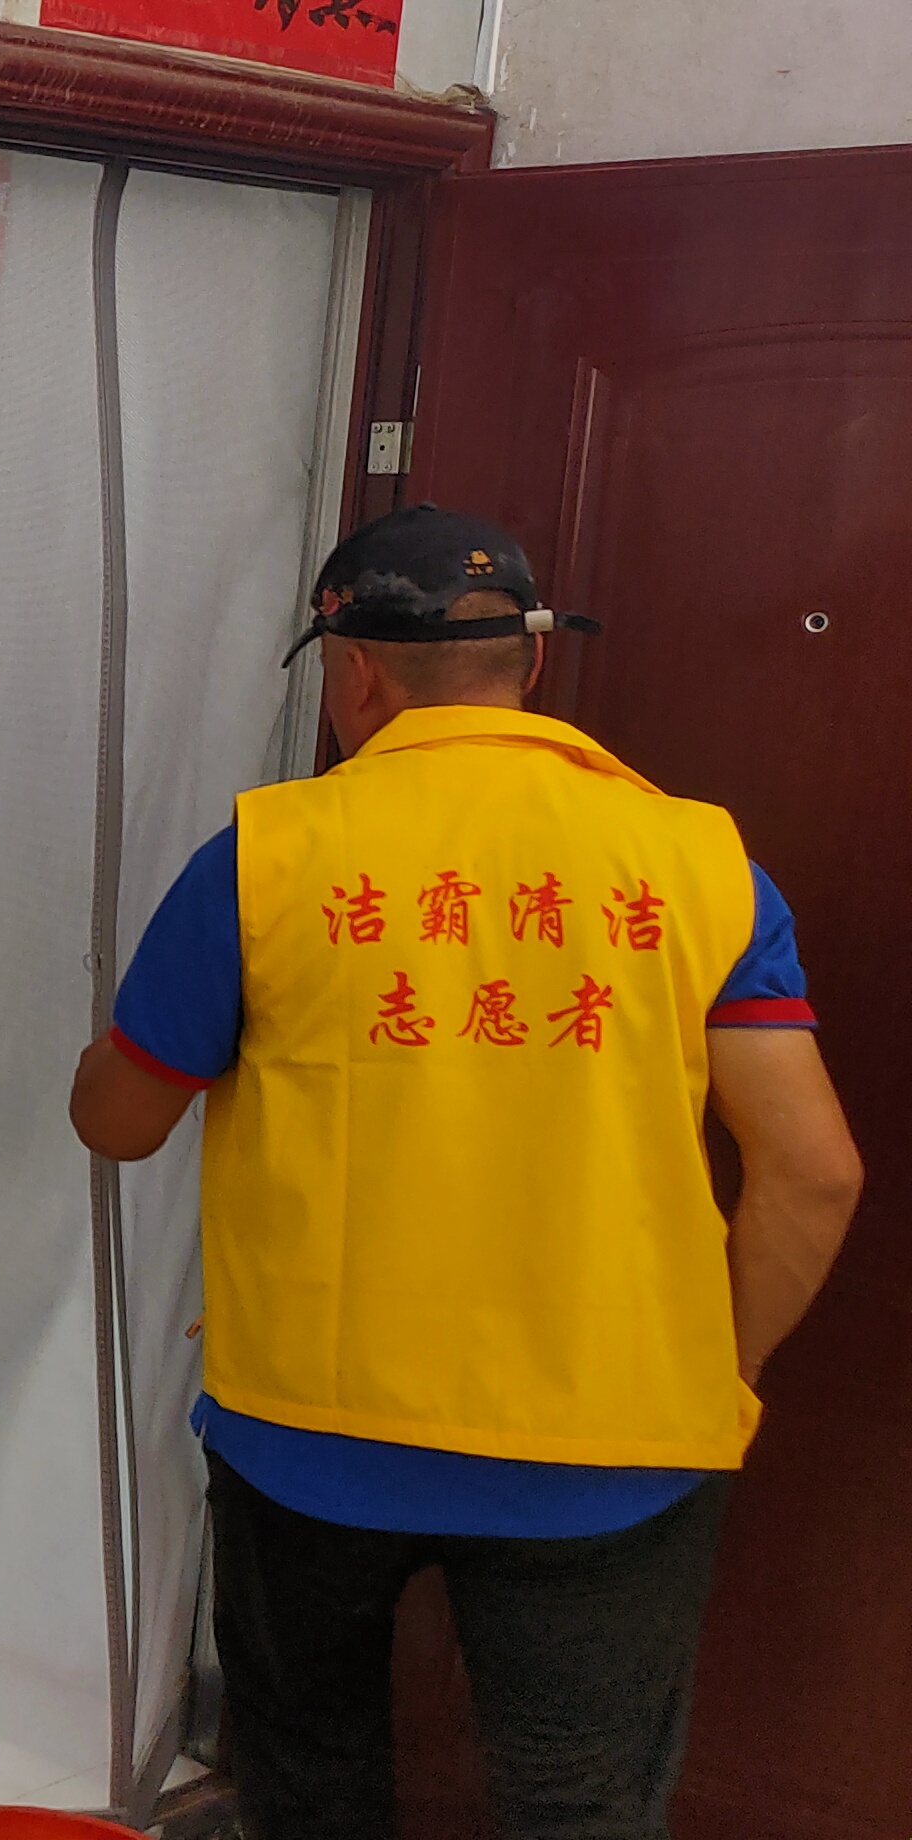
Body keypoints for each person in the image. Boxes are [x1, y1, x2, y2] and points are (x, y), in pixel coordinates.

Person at [66, 504, 864, 1840]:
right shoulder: (699, 861)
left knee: (312, 1784)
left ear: (354, 672)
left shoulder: (266, 857)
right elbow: (815, 1172)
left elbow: (121, 1123)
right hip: (613, 1444)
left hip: (309, 1435)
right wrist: (708, 1369)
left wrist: (106, 1051)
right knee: (578, 1808)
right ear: (531, 660)